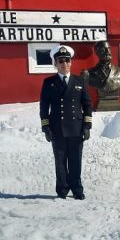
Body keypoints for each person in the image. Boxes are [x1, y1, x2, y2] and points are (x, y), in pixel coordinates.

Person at [40, 45, 93, 199]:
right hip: (57, 129)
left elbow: (87, 104)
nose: (64, 64)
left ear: (71, 62)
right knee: (61, 163)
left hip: (76, 129)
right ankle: (62, 190)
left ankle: (77, 189)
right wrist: (45, 127)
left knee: (76, 161)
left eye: (67, 60)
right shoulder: (49, 82)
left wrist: (87, 125)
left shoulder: (80, 80)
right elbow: (44, 106)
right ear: (55, 64)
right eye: (60, 61)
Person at [80, 40, 120, 110]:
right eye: (103, 49)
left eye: (108, 48)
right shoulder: (89, 74)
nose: (107, 52)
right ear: (97, 53)